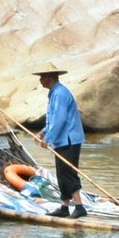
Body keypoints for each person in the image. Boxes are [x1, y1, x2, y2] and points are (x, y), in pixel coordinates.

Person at [33, 62, 87, 219]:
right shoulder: (54, 93)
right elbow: (53, 119)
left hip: (68, 139)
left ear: (49, 78)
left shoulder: (60, 93)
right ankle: (65, 206)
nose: (40, 80)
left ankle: (79, 206)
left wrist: (48, 138)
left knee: (68, 173)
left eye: (42, 77)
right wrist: (43, 133)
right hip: (62, 139)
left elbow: (61, 119)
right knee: (61, 173)